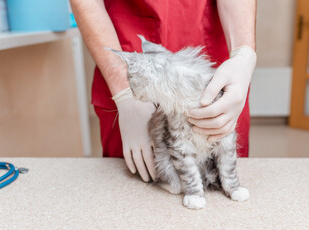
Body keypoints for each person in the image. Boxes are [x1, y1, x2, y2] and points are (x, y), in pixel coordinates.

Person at [70, 0, 257, 183]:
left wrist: (243, 55)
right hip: (129, 62)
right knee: (134, 191)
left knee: (224, 188)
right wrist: (123, 90)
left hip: (209, 73)